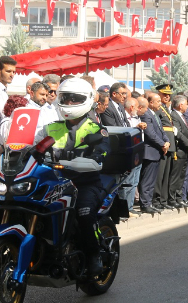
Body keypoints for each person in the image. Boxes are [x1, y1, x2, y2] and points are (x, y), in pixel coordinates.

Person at [45, 78, 110, 276]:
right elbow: (33, 144)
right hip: (56, 182)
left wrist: (95, 156)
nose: (70, 103)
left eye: (75, 99)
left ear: (87, 100)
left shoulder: (96, 130)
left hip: (85, 183)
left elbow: (103, 152)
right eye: (66, 98)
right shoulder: (50, 127)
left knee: (84, 213)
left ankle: (94, 254)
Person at [139, 93, 168, 214]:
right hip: (150, 151)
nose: (160, 104)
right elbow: (150, 134)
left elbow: (161, 130)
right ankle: (145, 204)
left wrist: (166, 141)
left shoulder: (155, 114)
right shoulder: (146, 114)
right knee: (147, 179)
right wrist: (162, 144)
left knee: (152, 180)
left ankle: (148, 202)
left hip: (157, 151)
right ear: (151, 103)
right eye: (158, 102)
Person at [154, 84, 177, 211]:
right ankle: (156, 199)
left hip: (170, 143)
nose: (167, 97)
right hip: (163, 143)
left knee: (166, 174)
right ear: (159, 94)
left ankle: (163, 199)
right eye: (164, 94)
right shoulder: (158, 109)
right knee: (160, 174)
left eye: (169, 95)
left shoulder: (166, 108)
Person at [169, 95, 188, 209]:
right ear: (180, 105)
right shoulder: (174, 115)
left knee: (181, 176)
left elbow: (187, 132)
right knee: (176, 175)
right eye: (185, 104)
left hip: (185, 150)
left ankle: (179, 197)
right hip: (179, 149)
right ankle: (172, 198)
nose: (187, 106)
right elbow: (178, 133)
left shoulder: (181, 115)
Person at [121, 97, 144, 214]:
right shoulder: (124, 116)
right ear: (131, 108)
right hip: (129, 154)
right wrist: (136, 128)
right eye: (136, 107)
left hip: (138, 153)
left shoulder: (136, 118)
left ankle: (129, 208)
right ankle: (125, 209)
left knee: (134, 181)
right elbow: (126, 133)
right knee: (128, 182)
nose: (138, 110)